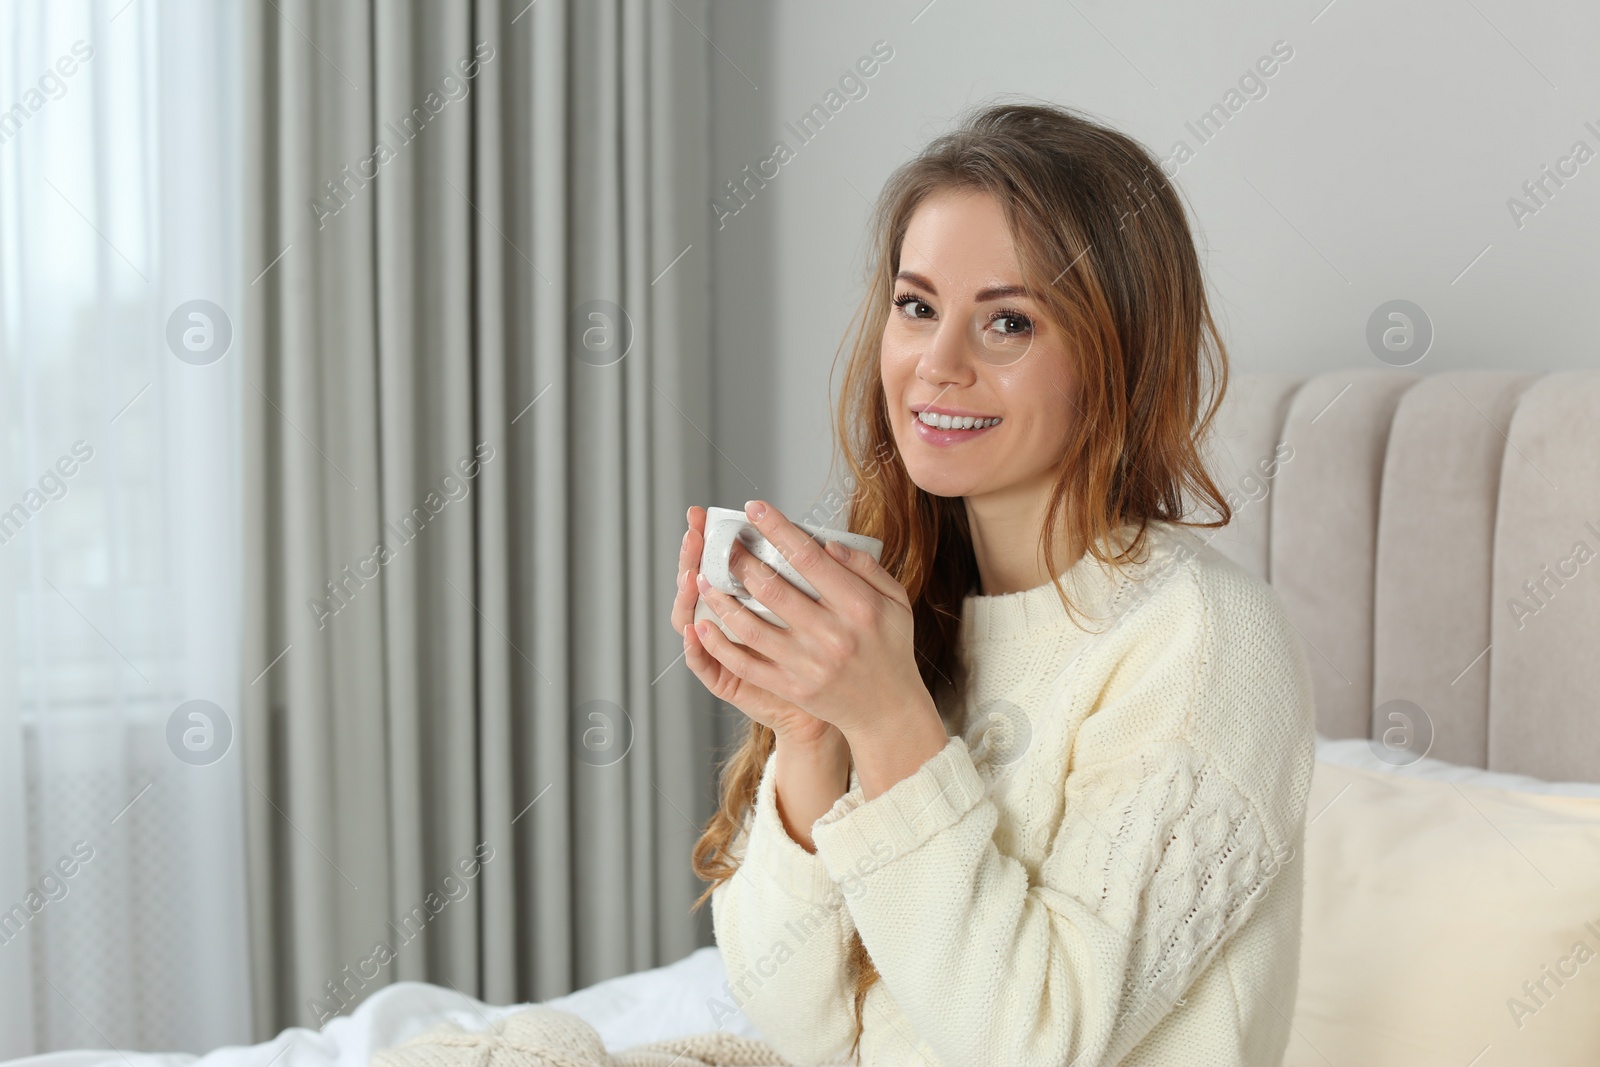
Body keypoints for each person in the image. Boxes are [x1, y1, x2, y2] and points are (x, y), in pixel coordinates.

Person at [669, 100, 1316, 1067]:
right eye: (916, 306)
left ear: (1116, 361)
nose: (937, 364)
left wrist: (890, 722)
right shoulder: (908, 606)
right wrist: (812, 736)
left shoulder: (1202, 639)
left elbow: (1034, 1042)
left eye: (1007, 322)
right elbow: (801, 1025)